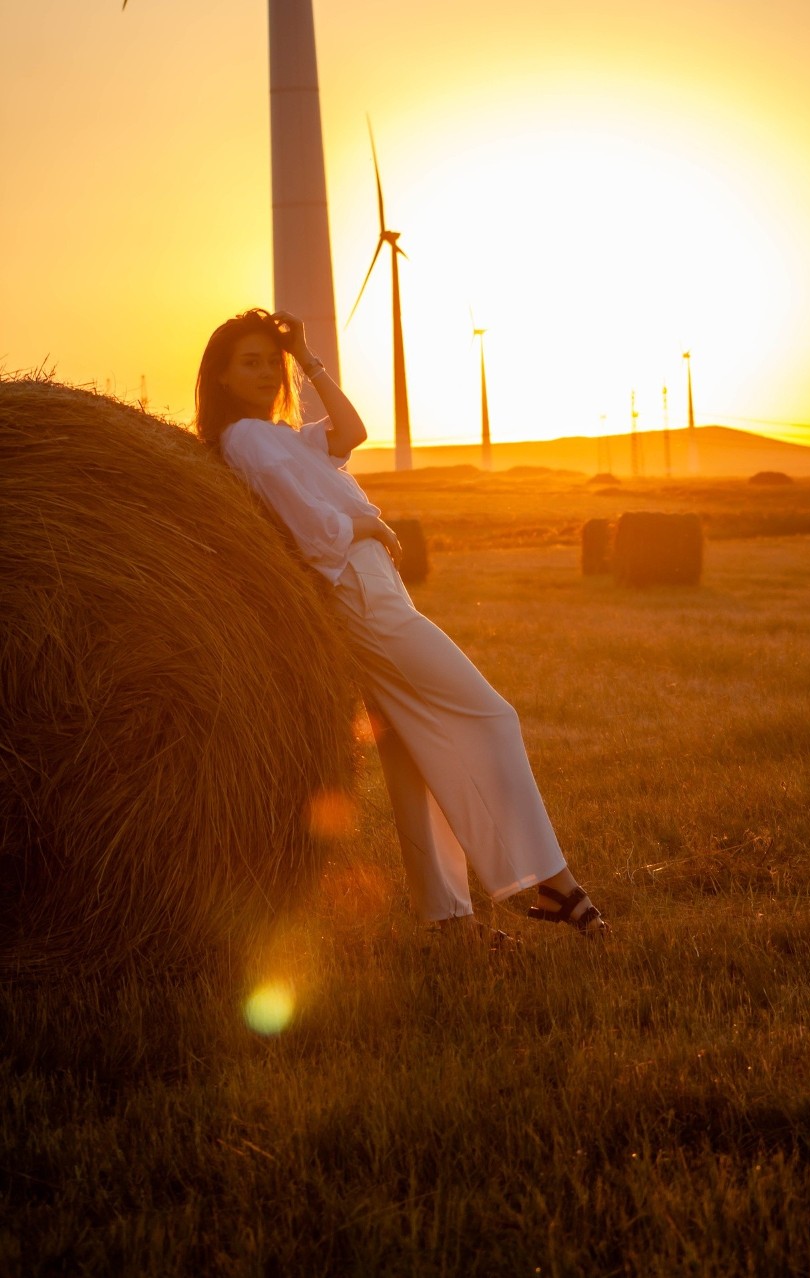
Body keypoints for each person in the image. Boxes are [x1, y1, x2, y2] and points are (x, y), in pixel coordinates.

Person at [195, 308, 608, 943]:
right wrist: (365, 525)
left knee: (411, 746)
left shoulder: (278, 433)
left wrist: (306, 358)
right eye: (247, 362)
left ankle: (447, 917)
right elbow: (310, 527)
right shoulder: (247, 439)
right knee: (492, 715)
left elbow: (351, 432)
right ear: (219, 376)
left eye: (267, 361)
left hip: (367, 588)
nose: (262, 372)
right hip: (358, 590)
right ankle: (553, 881)